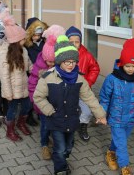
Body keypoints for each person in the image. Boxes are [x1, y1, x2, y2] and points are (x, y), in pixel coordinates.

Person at [33, 35, 107, 175]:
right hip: (55, 119)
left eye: (73, 61)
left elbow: (89, 97)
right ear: (59, 61)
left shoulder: (79, 78)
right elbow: (38, 96)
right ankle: (60, 168)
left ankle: (63, 158)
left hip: (72, 119)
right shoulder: (48, 78)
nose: (70, 64)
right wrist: (49, 110)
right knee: (60, 148)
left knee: (68, 146)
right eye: (67, 61)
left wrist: (100, 114)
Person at [99, 38, 134, 175]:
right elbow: (104, 97)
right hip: (116, 117)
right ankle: (125, 167)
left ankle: (110, 152)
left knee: (120, 139)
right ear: (122, 64)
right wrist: (101, 113)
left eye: (133, 66)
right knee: (122, 143)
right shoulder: (112, 79)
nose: (130, 69)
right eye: (127, 66)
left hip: (132, 118)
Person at [28, 25, 66, 160]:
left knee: (55, 125)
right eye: (48, 60)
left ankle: (55, 141)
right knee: (44, 126)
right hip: (43, 105)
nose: (50, 63)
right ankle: (44, 144)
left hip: (57, 104)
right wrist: (34, 100)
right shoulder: (39, 67)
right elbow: (32, 83)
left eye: (53, 61)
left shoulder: (60, 68)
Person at [0, 13, 32, 142]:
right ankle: (9, 130)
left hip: (23, 85)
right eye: (23, 39)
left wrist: (38, 72)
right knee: (11, 110)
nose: (25, 41)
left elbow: (29, 67)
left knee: (27, 106)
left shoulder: (24, 51)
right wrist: (8, 93)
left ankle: (21, 123)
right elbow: (4, 76)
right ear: (16, 41)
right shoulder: (4, 54)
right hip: (12, 89)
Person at [65, 26, 100, 142]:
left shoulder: (87, 55)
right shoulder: (63, 55)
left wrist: (88, 82)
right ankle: (66, 130)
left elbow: (95, 69)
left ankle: (82, 126)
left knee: (87, 111)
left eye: (77, 42)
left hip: (82, 90)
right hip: (67, 90)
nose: (74, 44)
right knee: (67, 111)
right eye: (71, 42)